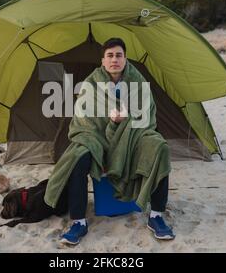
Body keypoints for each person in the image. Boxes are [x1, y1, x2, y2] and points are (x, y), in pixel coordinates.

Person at [44, 37, 175, 245]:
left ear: (125, 59)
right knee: (78, 156)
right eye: (110, 55)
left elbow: (147, 117)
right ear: (103, 60)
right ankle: (78, 222)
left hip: (132, 136)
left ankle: (156, 216)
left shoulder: (138, 81)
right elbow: (83, 120)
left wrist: (124, 121)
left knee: (159, 147)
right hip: (97, 137)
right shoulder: (91, 83)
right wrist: (109, 123)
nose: (114, 59)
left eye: (119, 55)